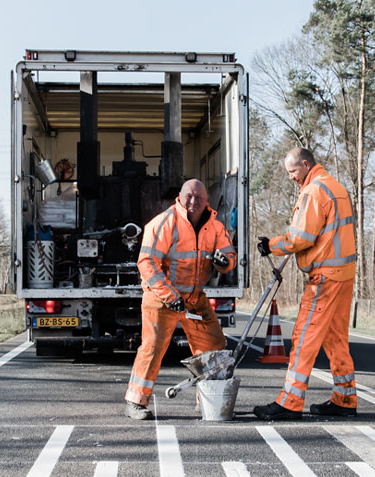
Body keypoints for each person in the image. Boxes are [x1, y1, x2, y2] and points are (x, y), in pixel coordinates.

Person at [253, 147, 358, 420]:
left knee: (303, 338)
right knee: (335, 339)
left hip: (325, 277)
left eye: (293, 171)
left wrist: (270, 245)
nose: (291, 178)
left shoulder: (313, 191)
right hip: (344, 274)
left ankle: (289, 402)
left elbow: (301, 238)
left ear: (306, 164)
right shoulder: (336, 187)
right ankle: (345, 399)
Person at [124, 179, 237, 420]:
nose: (193, 201)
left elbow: (229, 253)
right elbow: (146, 263)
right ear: (179, 197)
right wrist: (169, 296)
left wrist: (226, 263)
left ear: (207, 200)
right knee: (152, 348)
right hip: (161, 298)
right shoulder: (165, 222)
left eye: (198, 197)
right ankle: (135, 401)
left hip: (195, 298)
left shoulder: (216, 227)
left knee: (214, 347)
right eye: (189, 196)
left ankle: (208, 401)